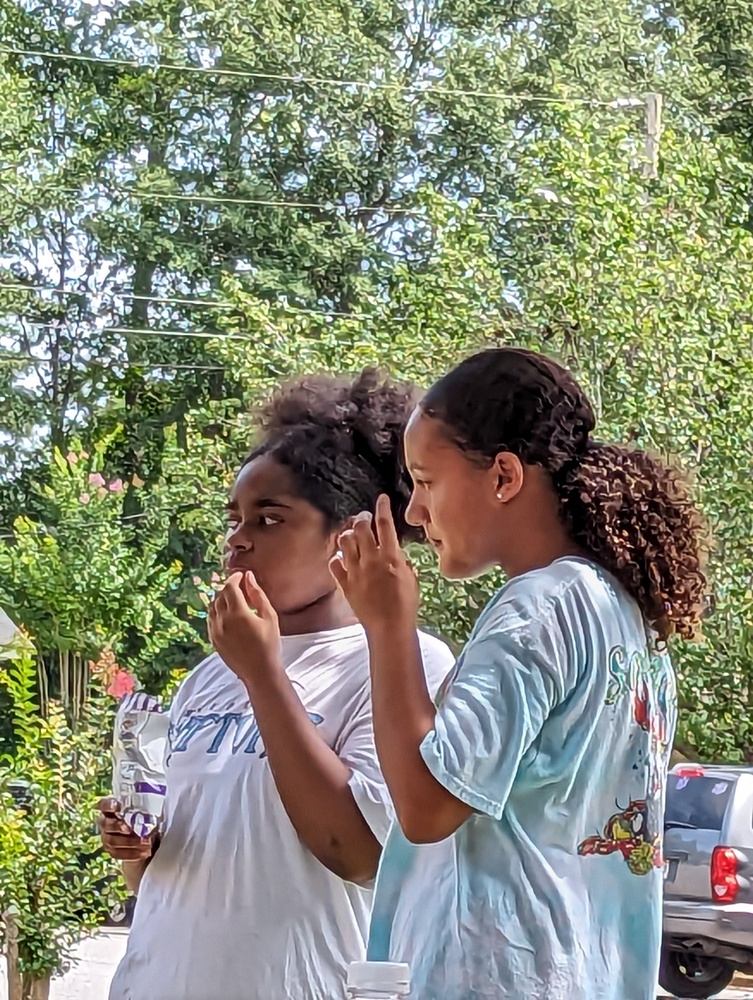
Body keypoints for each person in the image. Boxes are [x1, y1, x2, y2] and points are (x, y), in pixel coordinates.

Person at [331, 347, 707, 1000]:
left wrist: (387, 625)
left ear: (503, 476)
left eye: (425, 480)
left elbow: (425, 807)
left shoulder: (535, 608)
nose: (415, 514)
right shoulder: (629, 623)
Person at [98, 369, 454, 1000]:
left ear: (351, 534)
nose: (237, 540)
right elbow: (162, 875)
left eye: (269, 519)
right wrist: (135, 847)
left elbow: (358, 850)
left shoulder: (400, 662)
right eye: (234, 518)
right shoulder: (209, 676)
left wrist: (263, 675)